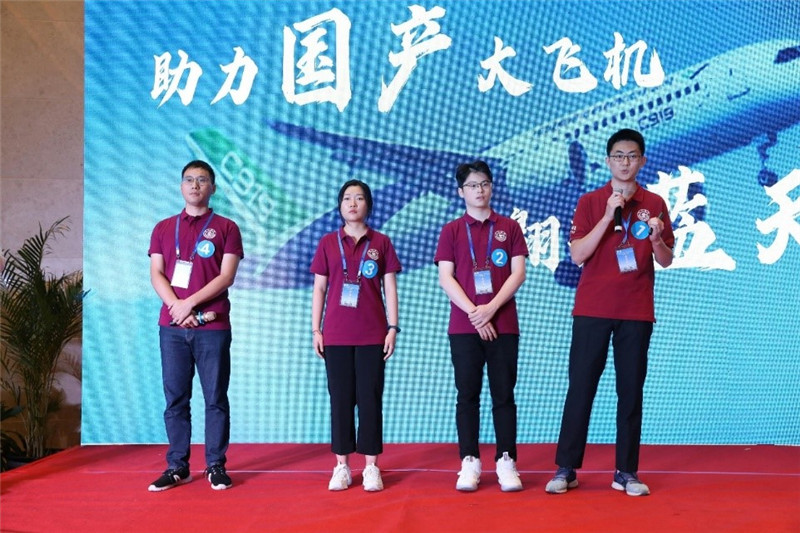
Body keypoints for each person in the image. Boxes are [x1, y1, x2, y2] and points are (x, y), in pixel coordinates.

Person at [545, 129, 674, 497]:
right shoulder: (589, 201)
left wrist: (655, 239)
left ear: (642, 160)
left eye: (632, 156)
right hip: (593, 309)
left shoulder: (655, 202)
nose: (625, 162)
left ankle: (626, 472)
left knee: (630, 392)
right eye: (618, 156)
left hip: (636, 310)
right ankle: (566, 468)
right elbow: (577, 254)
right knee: (581, 388)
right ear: (608, 161)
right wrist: (606, 216)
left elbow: (666, 259)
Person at [147, 160, 243, 492]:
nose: (195, 185)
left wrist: (188, 304)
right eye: (189, 180)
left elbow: (226, 276)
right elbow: (156, 273)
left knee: (215, 397)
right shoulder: (163, 228)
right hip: (172, 327)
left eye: (202, 180)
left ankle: (216, 465)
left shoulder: (227, 228)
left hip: (212, 327)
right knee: (175, 398)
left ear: (212, 188)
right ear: (181, 186)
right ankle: (178, 466)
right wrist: (177, 307)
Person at [434, 160, 528, 492]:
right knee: (467, 395)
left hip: (504, 323)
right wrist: (476, 313)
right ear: (461, 192)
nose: (480, 190)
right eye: (473, 185)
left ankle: (506, 461)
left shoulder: (509, 227)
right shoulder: (451, 231)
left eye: (485, 184)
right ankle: (470, 461)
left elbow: (518, 273)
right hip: (464, 326)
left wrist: (490, 309)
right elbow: (446, 278)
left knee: (504, 395)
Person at [310, 179, 401, 492]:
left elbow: (390, 287)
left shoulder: (381, 243)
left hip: (373, 334)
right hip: (335, 334)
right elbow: (319, 288)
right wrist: (316, 329)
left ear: (368, 205)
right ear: (339, 206)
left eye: (359, 198)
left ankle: (371, 466)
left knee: (370, 399)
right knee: (340, 400)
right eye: (347, 198)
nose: (352, 203)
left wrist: (393, 327)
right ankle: (342, 466)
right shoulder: (327, 243)